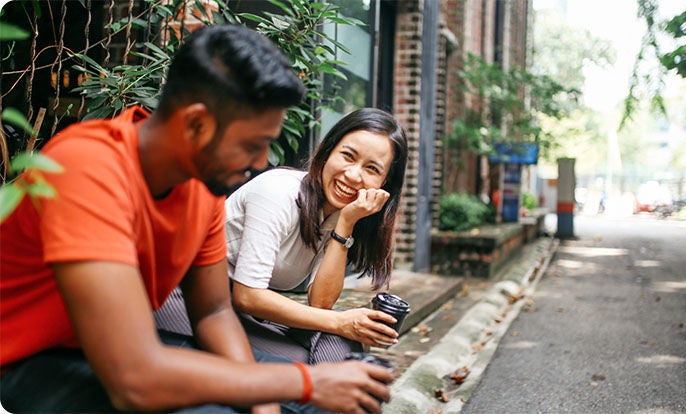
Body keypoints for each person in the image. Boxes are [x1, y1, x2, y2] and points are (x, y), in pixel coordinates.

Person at [0, 25, 393, 414]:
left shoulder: (201, 187)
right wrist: (302, 382)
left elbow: (214, 312)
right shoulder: (88, 168)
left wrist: (264, 403)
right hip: (31, 360)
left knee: (334, 402)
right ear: (196, 124)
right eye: (252, 145)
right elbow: (133, 380)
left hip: (132, 348)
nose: (260, 163)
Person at [156, 108, 409, 364]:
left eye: (372, 169)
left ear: (384, 184)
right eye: (347, 156)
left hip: (235, 312)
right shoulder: (277, 192)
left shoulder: (343, 213)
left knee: (340, 348)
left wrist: (345, 224)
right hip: (185, 297)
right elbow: (248, 296)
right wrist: (342, 321)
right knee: (306, 364)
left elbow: (320, 304)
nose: (353, 175)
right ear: (328, 150)